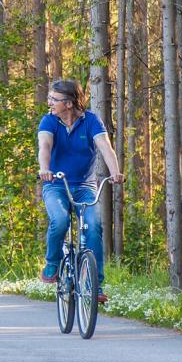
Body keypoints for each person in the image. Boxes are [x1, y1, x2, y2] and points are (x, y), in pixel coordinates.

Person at [37, 79, 124, 303]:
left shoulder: (91, 121)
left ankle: (95, 285)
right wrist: (45, 169)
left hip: (85, 186)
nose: (49, 103)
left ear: (69, 103)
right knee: (60, 220)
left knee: (94, 226)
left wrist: (115, 172)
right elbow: (44, 146)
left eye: (54, 99)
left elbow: (105, 146)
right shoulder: (49, 121)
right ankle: (53, 262)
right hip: (56, 184)